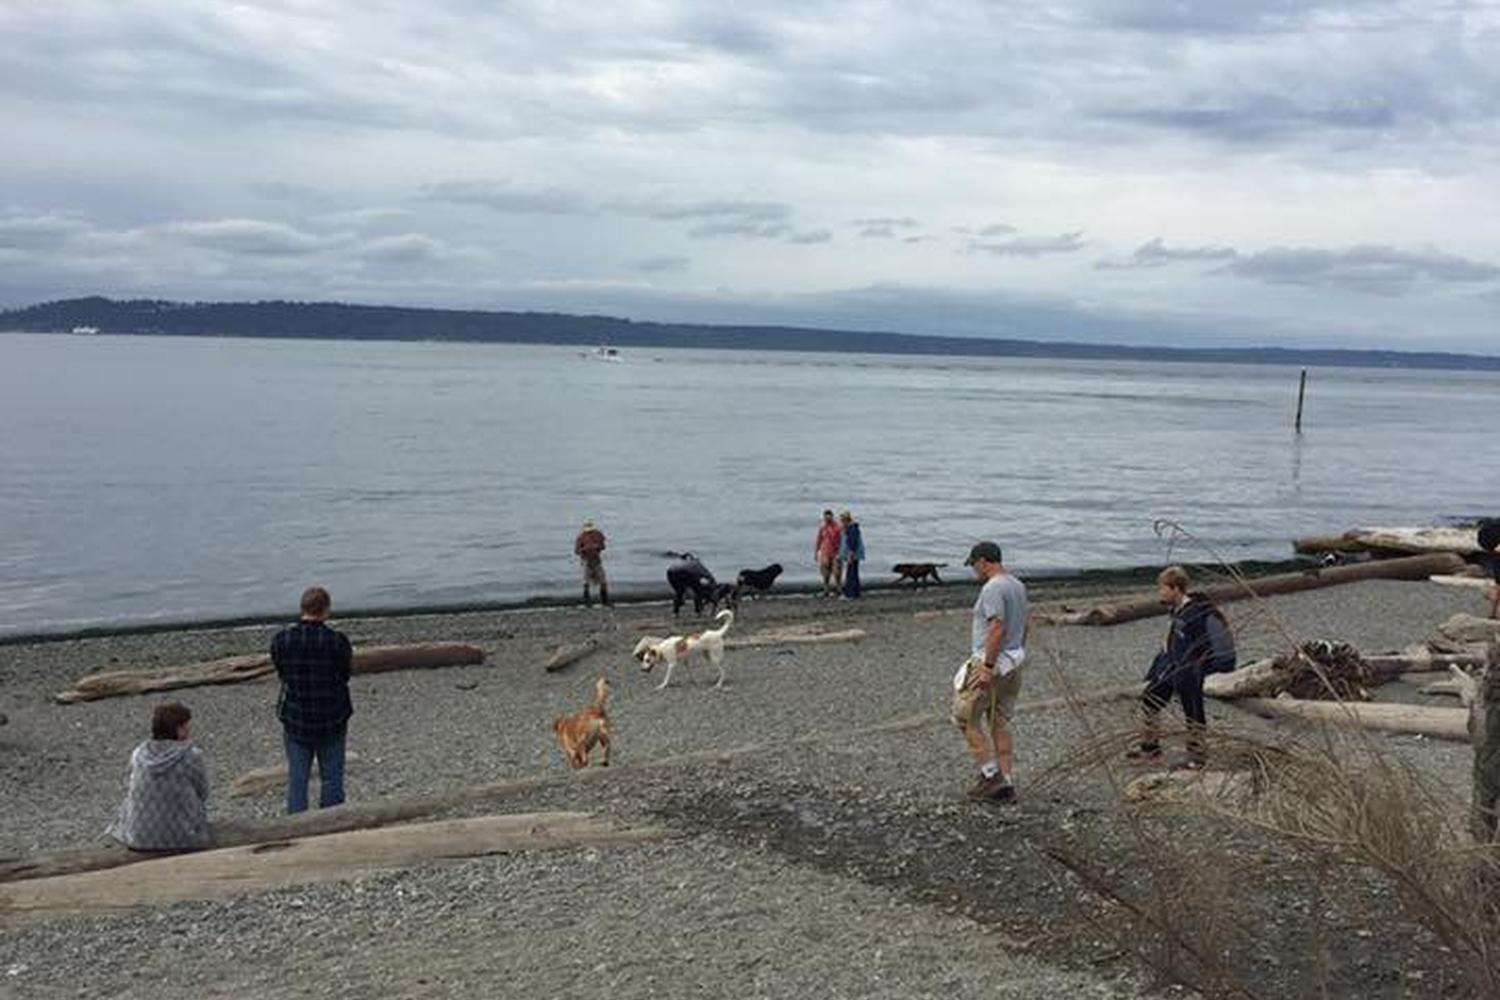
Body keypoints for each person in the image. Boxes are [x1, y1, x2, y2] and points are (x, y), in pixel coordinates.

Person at [951, 541, 1028, 802]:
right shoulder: (1017, 585)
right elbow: (1023, 625)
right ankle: (1006, 781)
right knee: (999, 721)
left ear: (983, 561)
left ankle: (990, 774)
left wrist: (986, 667)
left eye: (973, 564)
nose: (973, 569)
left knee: (965, 717)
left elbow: (997, 627)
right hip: (1013, 662)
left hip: (991, 662)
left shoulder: (993, 588)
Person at [271, 585, 353, 813]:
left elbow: (282, 673)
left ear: (302, 608)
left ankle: (297, 826)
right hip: (332, 716)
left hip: (296, 716)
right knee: (332, 777)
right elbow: (344, 675)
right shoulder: (337, 641)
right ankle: (332, 824)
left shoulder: (282, 640)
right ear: (326, 610)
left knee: (297, 779)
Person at [1127, 565, 1214, 770]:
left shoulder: (1194, 614)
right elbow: (1171, 637)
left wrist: (1193, 667)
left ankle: (1197, 758)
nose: (1160, 592)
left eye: (1163, 588)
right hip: (1169, 667)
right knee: (1151, 699)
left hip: (1188, 671)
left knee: (1193, 712)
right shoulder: (1176, 610)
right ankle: (1151, 748)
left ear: (1176, 589)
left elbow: (1205, 645)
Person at [106, 701, 212, 851]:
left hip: (139, 837)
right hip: (183, 838)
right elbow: (203, 791)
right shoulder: (191, 755)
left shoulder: (139, 753)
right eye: (187, 726)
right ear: (179, 729)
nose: (190, 730)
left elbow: (130, 787)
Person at [575, 519, 611, 607]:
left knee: (603, 581)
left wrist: (596, 546)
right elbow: (576, 551)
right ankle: (587, 603)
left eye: (590, 530)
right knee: (586, 582)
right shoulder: (581, 537)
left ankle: (605, 602)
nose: (589, 532)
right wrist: (584, 549)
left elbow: (603, 546)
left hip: (596, 560)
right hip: (586, 561)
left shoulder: (598, 534)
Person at [814, 509, 843, 597]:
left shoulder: (838, 527)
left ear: (832, 517)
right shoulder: (822, 528)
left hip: (836, 552)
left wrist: (842, 552)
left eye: (829, 517)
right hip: (825, 552)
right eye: (826, 517)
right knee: (825, 572)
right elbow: (818, 540)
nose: (827, 519)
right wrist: (816, 552)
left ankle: (838, 589)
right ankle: (826, 589)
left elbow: (842, 540)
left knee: (837, 571)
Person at [838, 510, 865, 599]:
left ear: (846, 520)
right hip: (854, 555)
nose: (841, 523)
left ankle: (850, 594)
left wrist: (850, 554)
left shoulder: (852, 528)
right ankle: (856, 593)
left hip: (853, 555)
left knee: (851, 574)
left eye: (842, 521)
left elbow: (852, 543)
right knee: (854, 573)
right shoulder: (851, 528)